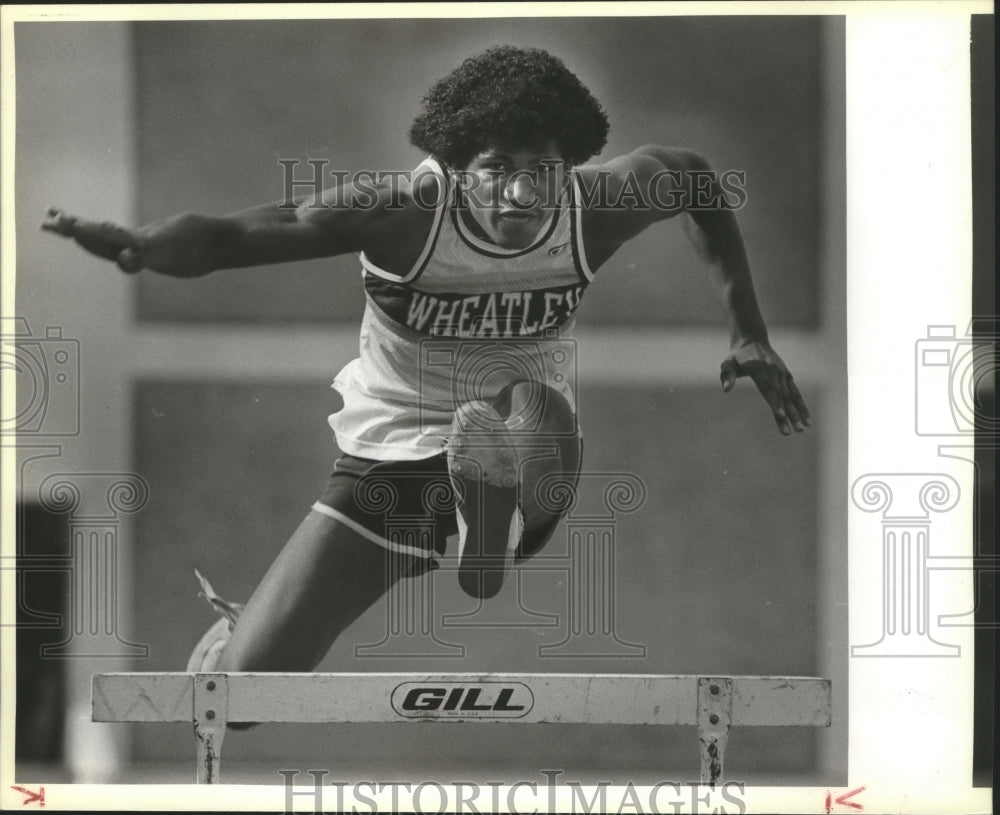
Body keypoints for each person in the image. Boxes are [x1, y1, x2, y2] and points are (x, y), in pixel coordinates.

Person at [42, 45, 810, 682]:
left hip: (532, 440)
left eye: (541, 168)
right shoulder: (403, 215)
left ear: (568, 163)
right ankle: (239, 649)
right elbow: (242, 235)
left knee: (525, 402)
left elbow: (698, 181)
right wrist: (144, 248)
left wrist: (747, 330)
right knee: (249, 694)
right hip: (390, 454)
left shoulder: (600, 202)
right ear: (453, 165)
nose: (521, 192)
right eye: (495, 167)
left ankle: (495, 519)